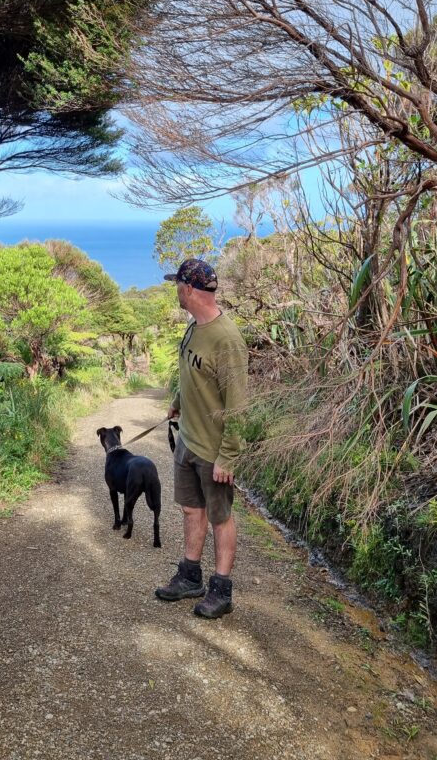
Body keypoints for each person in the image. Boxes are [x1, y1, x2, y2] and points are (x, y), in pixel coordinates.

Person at [155, 258, 248, 618]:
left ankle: (221, 589)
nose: (175, 291)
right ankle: (190, 575)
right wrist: (178, 402)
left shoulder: (227, 341)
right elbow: (190, 372)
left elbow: (239, 405)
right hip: (188, 440)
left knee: (220, 516)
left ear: (189, 289)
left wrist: (228, 455)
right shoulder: (194, 328)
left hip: (213, 449)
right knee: (191, 509)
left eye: (177, 285)